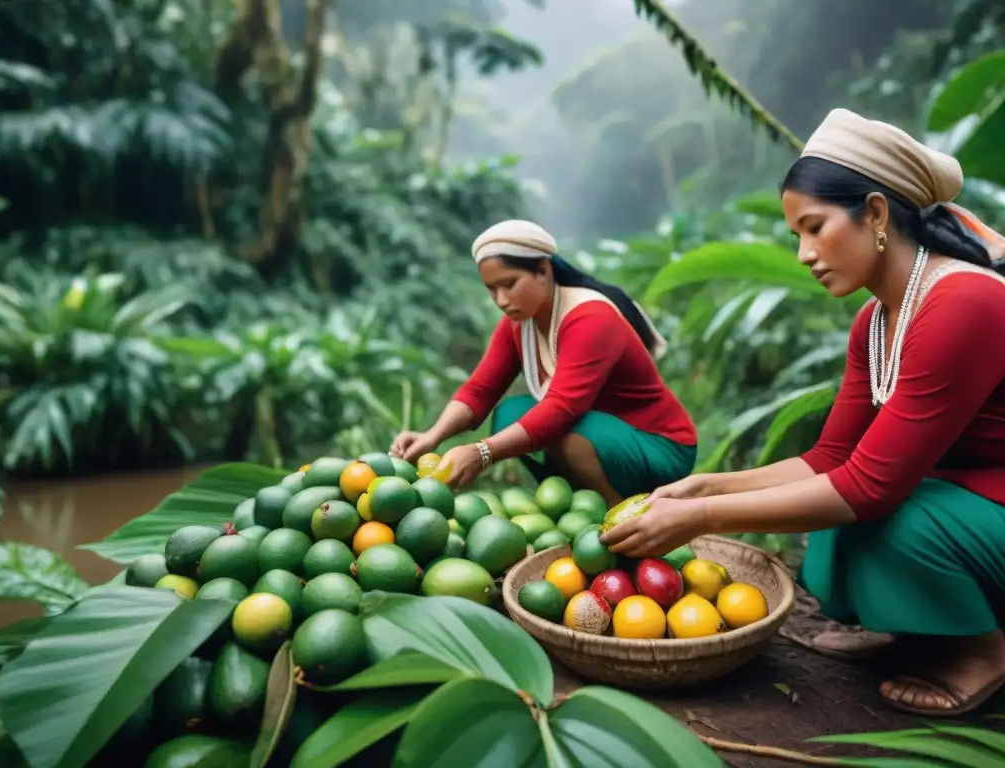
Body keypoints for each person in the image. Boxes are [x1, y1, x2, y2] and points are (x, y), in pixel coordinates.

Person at [601, 108, 1005, 717]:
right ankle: (920, 628)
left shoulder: (965, 301)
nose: (804, 253)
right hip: (971, 498)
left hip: (983, 503)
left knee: (889, 516)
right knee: (834, 511)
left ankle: (983, 651)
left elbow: (867, 485)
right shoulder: (876, 321)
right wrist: (706, 485)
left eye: (815, 228)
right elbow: (830, 459)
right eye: (797, 234)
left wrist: (703, 516)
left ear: (873, 213)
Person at [390, 219, 697, 507]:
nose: (500, 300)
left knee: (567, 437)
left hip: (659, 446)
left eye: (509, 284)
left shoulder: (591, 319)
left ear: (542, 269)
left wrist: (482, 453)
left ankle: (618, 515)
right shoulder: (521, 322)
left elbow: (562, 410)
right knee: (509, 414)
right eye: (492, 289)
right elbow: (480, 390)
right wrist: (432, 436)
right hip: (600, 435)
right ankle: (572, 504)